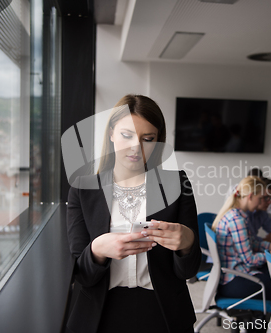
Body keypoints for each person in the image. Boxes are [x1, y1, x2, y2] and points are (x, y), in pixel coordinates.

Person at [66, 94, 201, 333]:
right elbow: (82, 275)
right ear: (111, 134)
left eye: (147, 139)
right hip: (99, 313)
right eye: (126, 135)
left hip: (164, 311)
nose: (135, 148)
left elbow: (188, 272)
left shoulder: (177, 184)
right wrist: (97, 250)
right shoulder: (82, 188)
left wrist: (187, 242)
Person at [212, 176, 271, 301]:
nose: (262, 202)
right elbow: (250, 260)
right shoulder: (237, 220)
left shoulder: (237, 215)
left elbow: (255, 244)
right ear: (250, 196)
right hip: (235, 280)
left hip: (238, 274)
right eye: (261, 198)